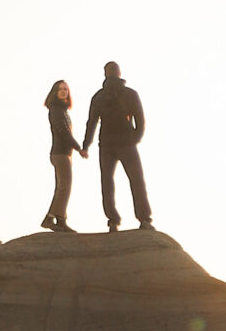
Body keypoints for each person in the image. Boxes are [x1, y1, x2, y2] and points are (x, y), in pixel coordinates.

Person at [83, 60, 153, 230]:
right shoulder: (130, 94)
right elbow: (140, 120)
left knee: (107, 183)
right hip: (126, 143)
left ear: (105, 74)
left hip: (106, 145)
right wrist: (135, 138)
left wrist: (86, 145)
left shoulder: (98, 97)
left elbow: (91, 123)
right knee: (136, 181)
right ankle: (144, 219)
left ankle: (113, 221)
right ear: (120, 73)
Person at [40, 80, 87, 231]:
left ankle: (61, 221)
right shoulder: (56, 110)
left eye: (65, 89)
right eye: (60, 89)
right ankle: (49, 218)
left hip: (64, 154)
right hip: (60, 154)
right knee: (65, 187)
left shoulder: (62, 110)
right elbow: (63, 132)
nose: (63, 91)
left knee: (61, 187)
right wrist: (79, 148)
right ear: (55, 91)